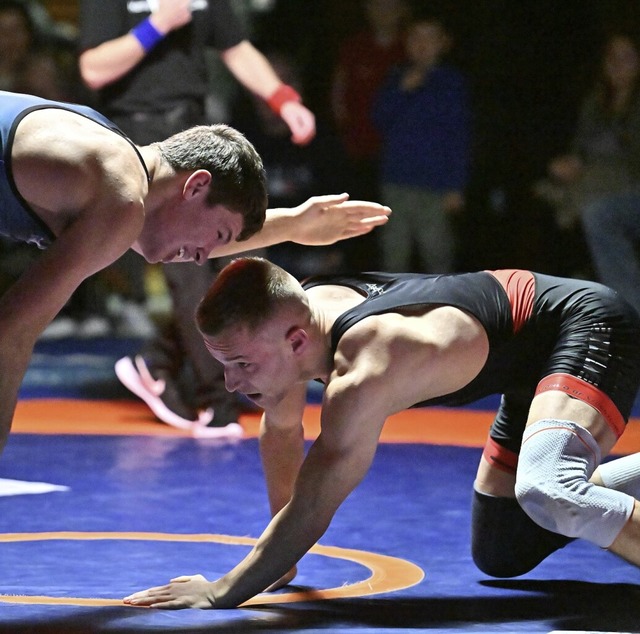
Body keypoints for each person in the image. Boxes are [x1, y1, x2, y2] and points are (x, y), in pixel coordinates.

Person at [124, 258, 640, 609]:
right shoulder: (294, 326)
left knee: (549, 492)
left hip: (585, 325)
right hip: (524, 362)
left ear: (297, 340)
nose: (231, 382)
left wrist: (223, 591)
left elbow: (313, 505)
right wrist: (279, 565)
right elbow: (280, 430)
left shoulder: (365, 370)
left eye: (239, 364)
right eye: (224, 364)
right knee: (502, 548)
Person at [0, 90, 391, 454]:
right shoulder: (121, 200)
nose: (204, 257)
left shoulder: (120, 166)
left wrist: (292, 224)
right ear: (195, 186)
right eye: (218, 235)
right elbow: (11, 332)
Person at [78, 0, 318, 430]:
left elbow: (237, 48)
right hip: (136, 134)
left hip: (194, 131)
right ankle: (215, 402)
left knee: (224, 262)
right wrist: (157, 25)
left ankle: (158, 360)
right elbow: (94, 69)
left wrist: (282, 99)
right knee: (190, 268)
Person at [371, 12, 470, 274]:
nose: (422, 44)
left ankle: (443, 306)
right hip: (396, 181)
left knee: (436, 250)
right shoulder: (396, 77)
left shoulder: (452, 82)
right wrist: (401, 90)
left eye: (430, 37)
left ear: (444, 43)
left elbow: (458, 135)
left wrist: (456, 186)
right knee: (394, 249)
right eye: (416, 37)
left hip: (435, 186)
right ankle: (390, 306)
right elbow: (379, 119)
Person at [330, 0, 409, 270]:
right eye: (377, 5)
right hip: (358, 148)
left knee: (396, 224)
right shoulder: (355, 46)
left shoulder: (408, 46)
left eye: (390, 5)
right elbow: (339, 90)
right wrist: (343, 127)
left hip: (398, 153)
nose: (383, 10)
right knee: (357, 218)